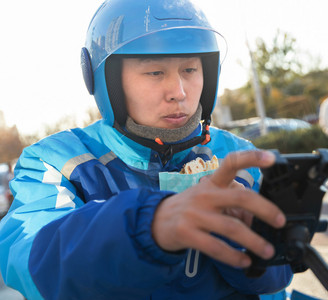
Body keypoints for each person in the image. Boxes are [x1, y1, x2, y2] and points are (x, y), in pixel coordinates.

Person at [0, 1, 293, 299]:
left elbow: (276, 281)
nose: (178, 92)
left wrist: (250, 235)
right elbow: (28, 256)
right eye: (155, 72)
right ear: (107, 80)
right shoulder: (57, 160)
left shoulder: (237, 155)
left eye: (190, 69)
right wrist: (146, 228)